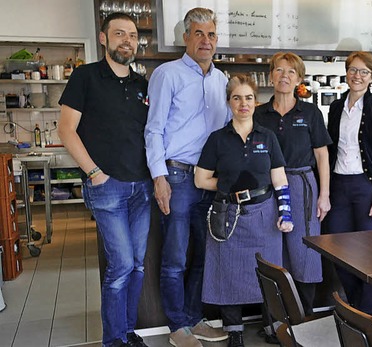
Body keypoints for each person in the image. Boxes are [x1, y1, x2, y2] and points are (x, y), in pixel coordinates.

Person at [58, 12, 152, 347]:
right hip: (107, 188)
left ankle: (127, 332)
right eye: (119, 34)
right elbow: (66, 130)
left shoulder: (142, 85)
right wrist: (94, 173)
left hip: (142, 187)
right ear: (103, 38)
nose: (127, 40)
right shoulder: (85, 78)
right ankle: (114, 340)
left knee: (137, 265)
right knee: (122, 265)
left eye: (132, 35)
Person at [144, 7, 231, 347]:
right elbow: (153, 130)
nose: (205, 41)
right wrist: (159, 177)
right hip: (178, 177)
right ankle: (177, 326)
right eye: (198, 34)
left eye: (210, 34)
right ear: (186, 38)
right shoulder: (168, 74)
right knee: (176, 257)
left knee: (202, 257)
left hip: (209, 181)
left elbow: (227, 131)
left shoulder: (222, 80)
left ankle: (195, 318)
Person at [194, 74, 294, 347]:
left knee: (268, 272)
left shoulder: (268, 137)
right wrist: (228, 184)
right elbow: (200, 179)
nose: (243, 103)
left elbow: (279, 179)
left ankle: (273, 325)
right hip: (229, 214)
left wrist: (286, 213)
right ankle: (234, 330)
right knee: (228, 272)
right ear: (229, 102)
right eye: (237, 98)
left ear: (255, 101)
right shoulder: (217, 139)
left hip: (264, 213)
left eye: (248, 98)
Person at [254, 52, 331, 321]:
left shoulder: (310, 112)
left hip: (302, 186)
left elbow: (322, 154)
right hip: (267, 188)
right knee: (271, 250)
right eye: (278, 70)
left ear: (299, 78)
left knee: (304, 249)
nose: (284, 76)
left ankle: (303, 317)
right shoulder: (258, 114)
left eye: (290, 72)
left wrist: (325, 195)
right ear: (270, 75)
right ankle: (273, 320)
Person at [325, 51, 372, 317]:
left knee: (370, 255)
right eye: (353, 70)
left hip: (368, 188)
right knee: (338, 251)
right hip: (339, 187)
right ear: (346, 73)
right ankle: (359, 310)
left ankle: (364, 316)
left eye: (363, 72)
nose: (357, 76)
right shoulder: (335, 107)